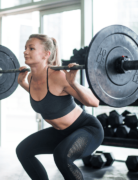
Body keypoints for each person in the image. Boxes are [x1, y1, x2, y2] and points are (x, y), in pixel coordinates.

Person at [16, 34, 104, 180]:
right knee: (23, 150)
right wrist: (23, 83)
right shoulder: (31, 77)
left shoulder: (58, 76)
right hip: (62, 132)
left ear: (46, 54)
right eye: (25, 48)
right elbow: (44, 99)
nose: (25, 52)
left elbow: (94, 102)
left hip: (87, 129)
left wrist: (73, 82)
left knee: (62, 156)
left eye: (31, 48)